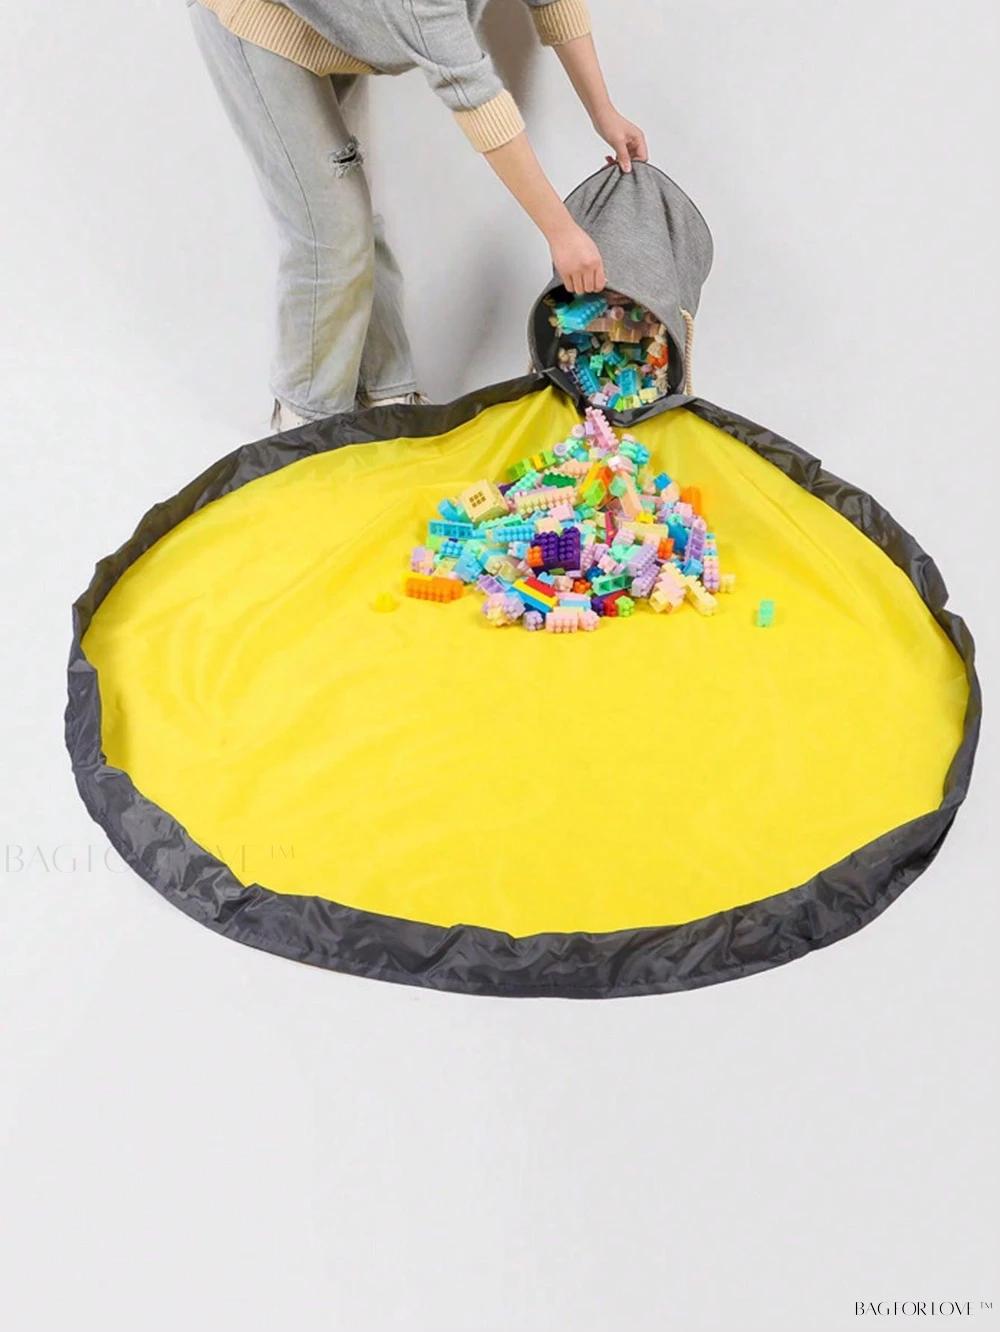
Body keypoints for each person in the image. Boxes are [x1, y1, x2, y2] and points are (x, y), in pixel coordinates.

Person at [188, 0, 648, 428]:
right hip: (257, 17)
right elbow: (475, 97)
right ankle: (304, 429)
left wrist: (603, 111)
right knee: (331, 234)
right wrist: (561, 232)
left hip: (330, 23)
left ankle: (387, 402)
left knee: (356, 220)